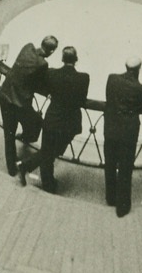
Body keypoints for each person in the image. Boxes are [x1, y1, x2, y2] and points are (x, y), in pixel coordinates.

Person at [15, 45, 88, 192]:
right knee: (51, 152)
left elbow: (43, 86)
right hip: (69, 123)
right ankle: (45, 182)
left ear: (62, 59)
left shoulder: (52, 74)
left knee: (48, 150)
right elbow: (81, 100)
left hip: (52, 118)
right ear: (76, 60)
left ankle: (37, 174)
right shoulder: (83, 78)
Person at [0, 35, 57, 175]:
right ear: (52, 51)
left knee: (9, 133)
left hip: (5, 95)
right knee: (37, 122)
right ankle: (27, 137)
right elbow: (41, 82)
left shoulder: (27, 47)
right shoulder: (42, 64)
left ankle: (11, 168)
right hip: (19, 102)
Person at [103, 56, 142, 217]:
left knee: (110, 162)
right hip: (128, 131)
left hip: (111, 127)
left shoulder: (112, 79)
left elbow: (108, 97)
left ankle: (110, 196)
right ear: (138, 69)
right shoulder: (140, 88)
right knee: (125, 167)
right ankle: (122, 205)